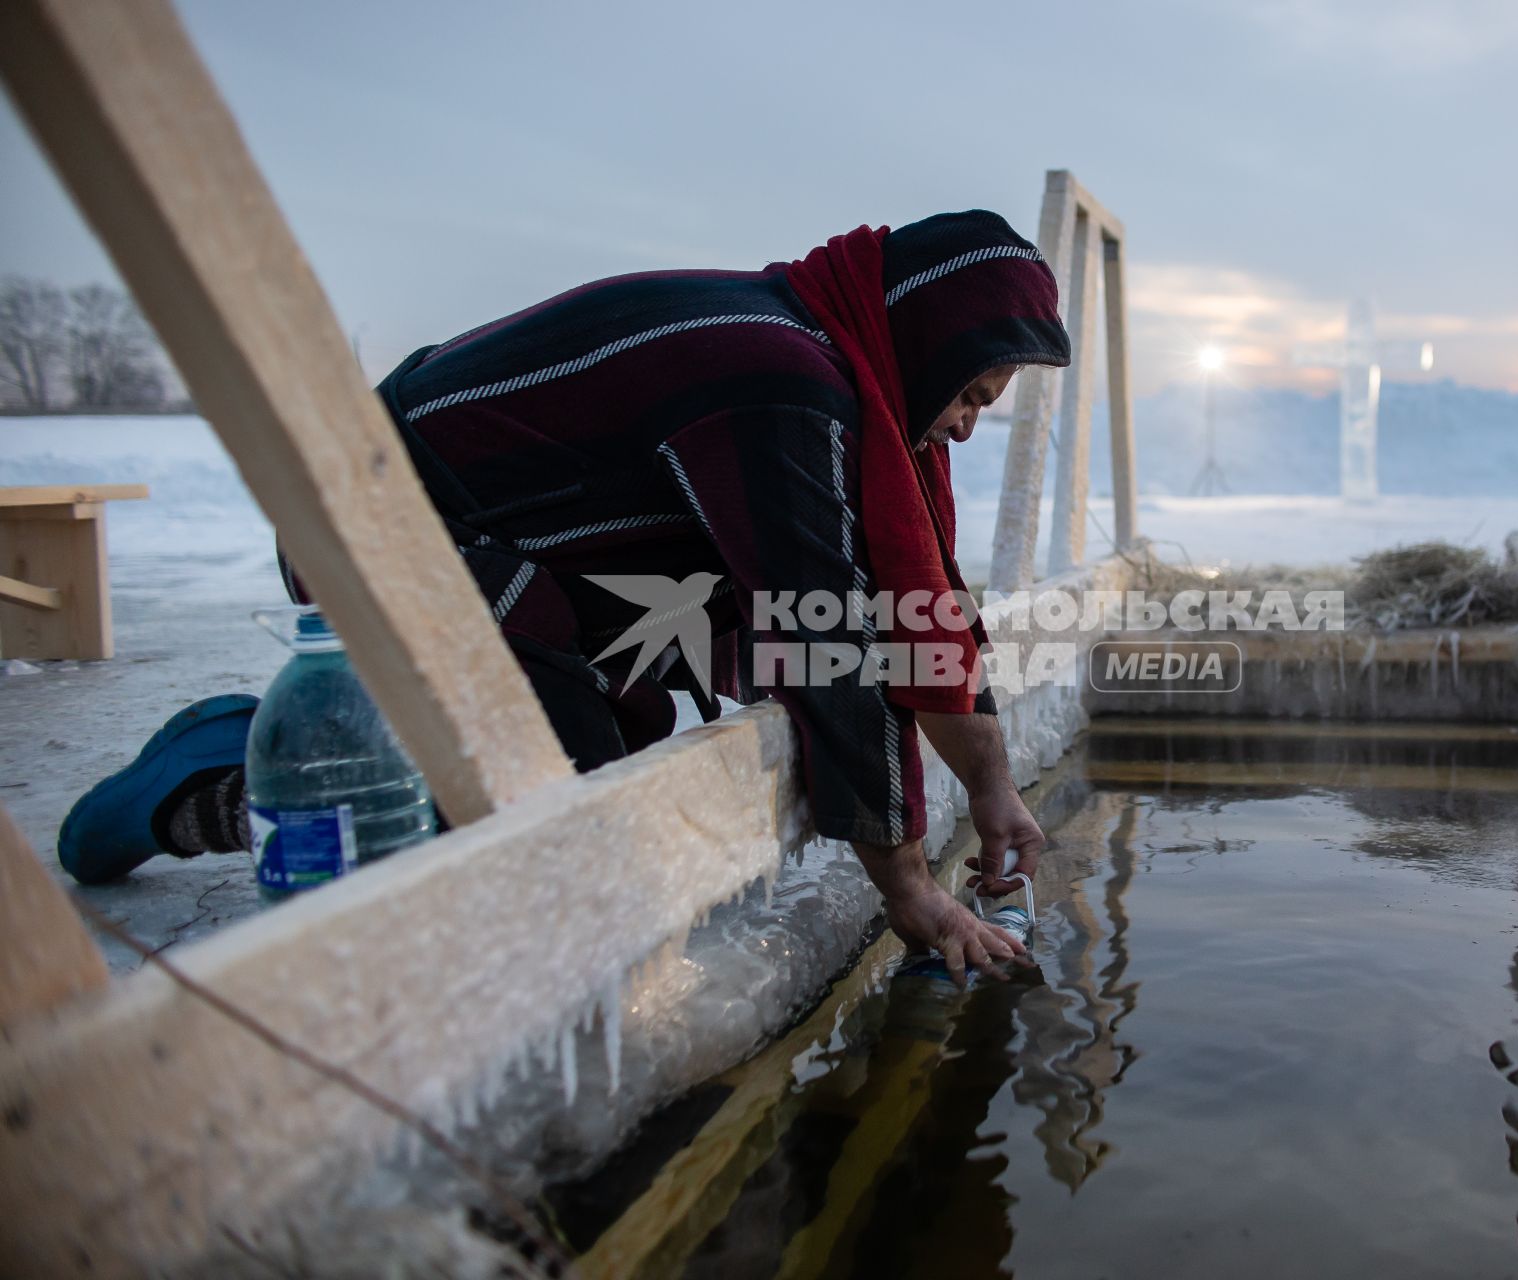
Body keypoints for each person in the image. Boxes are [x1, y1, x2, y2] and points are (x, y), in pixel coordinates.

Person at [57, 210, 1072, 982]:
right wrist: (914, 893)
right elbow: (831, 634)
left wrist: (987, 788)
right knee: (545, 800)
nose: (970, 428)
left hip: (535, 555)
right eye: (972, 395)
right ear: (924, 344)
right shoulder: (778, 379)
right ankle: (257, 770)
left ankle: (387, 734)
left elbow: (913, 604)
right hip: (376, 530)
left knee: (623, 737)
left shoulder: (822, 346)